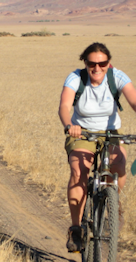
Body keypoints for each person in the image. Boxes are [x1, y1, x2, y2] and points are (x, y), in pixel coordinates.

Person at [58, 42, 136, 252]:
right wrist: (69, 125)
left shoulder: (116, 76)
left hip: (110, 133)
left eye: (102, 63)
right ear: (85, 63)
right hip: (82, 133)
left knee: (119, 164)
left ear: (108, 63)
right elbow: (65, 106)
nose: (97, 68)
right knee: (79, 171)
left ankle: (112, 201)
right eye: (92, 63)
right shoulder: (76, 78)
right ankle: (76, 228)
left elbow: (134, 100)